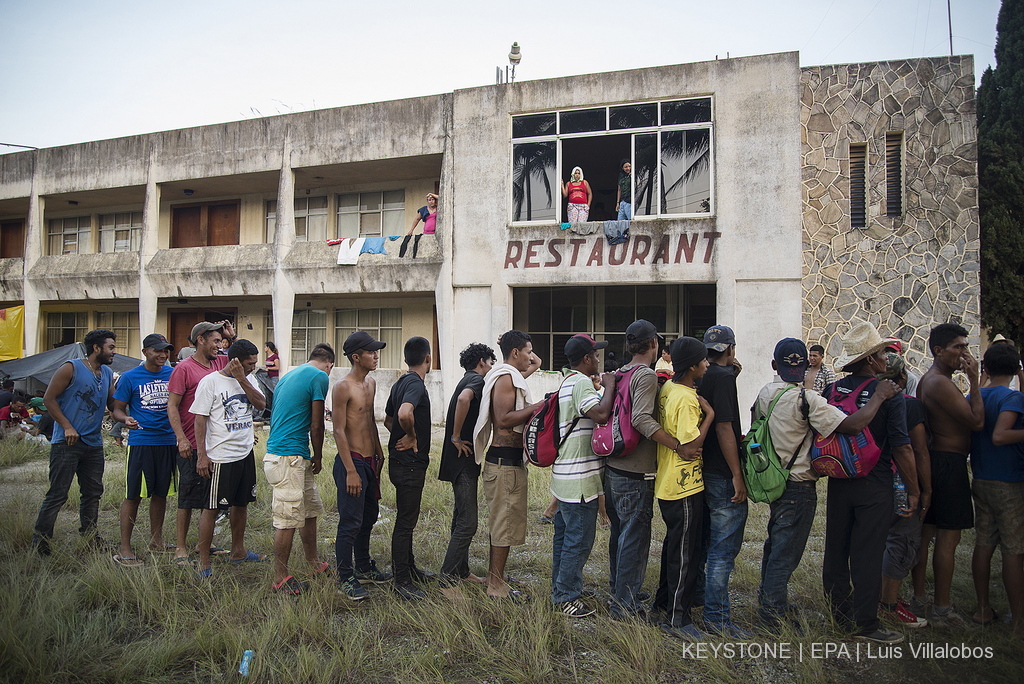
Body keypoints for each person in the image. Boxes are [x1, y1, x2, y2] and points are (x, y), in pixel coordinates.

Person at [753, 338, 895, 631]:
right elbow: (853, 425)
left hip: (774, 479)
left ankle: (768, 600)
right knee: (786, 553)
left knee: (774, 545)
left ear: (774, 366)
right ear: (805, 366)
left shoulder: (766, 393)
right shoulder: (809, 400)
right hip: (800, 486)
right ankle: (773, 615)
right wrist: (879, 396)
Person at [822, 321, 918, 644]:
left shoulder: (833, 390)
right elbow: (902, 448)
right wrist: (915, 490)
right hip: (874, 485)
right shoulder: (888, 394)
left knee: (836, 547)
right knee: (867, 552)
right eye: (881, 353)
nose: (885, 358)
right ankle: (865, 624)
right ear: (872, 359)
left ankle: (838, 614)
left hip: (839, 480)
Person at [605, 320, 681, 621]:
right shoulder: (646, 375)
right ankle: (625, 605)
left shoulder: (620, 372)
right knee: (634, 540)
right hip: (635, 471)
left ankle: (619, 590)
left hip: (612, 465)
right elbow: (641, 420)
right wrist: (676, 444)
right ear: (654, 344)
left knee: (620, 535)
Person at [915, 322, 984, 626]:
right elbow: (975, 421)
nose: (964, 353)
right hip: (947, 463)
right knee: (946, 538)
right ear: (939, 350)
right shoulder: (939, 382)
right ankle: (941, 607)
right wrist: (975, 381)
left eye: (966, 346)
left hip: (937, 462)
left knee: (926, 534)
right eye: (958, 347)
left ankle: (919, 599)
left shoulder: (934, 380)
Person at [31, 329, 117, 555]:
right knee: (58, 494)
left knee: (92, 493)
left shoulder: (106, 373)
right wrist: (67, 426)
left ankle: (90, 538)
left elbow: (113, 404)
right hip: (66, 444)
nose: (113, 352)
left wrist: (125, 417)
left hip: (94, 444)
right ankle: (40, 544)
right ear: (96, 348)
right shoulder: (70, 368)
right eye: (110, 347)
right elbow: (49, 399)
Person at [472, 330, 542, 601]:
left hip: (508, 463)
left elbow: (536, 363)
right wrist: (538, 406)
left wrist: (510, 343)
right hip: (504, 463)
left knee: (504, 524)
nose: (530, 357)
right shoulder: (505, 378)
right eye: (526, 351)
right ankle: (496, 585)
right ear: (515, 353)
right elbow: (503, 419)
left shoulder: (510, 374)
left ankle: (494, 576)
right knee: (503, 525)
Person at [550, 334, 616, 617]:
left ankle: (562, 585)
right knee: (579, 540)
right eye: (596, 355)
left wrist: (600, 388)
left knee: (564, 539)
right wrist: (610, 386)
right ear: (587, 358)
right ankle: (566, 596)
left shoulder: (567, 382)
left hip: (564, 476)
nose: (599, 359)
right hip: (579, 477)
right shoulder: (580, 383)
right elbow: (600, 415)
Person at [653, 336, 714, 639]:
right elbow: (691, 445)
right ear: (692, 365)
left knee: (674, 548)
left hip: (668, 481)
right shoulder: (688, 399)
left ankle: (662, 604)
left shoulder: (669, 388)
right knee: (685, 555)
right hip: (684, 485)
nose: (707, 364)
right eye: (704, 360)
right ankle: (678, 619)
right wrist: (710, 417)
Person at [191, 339, 267, 578]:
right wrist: (202, 456)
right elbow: (200, 420)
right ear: (234, 361)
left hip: (244, 452)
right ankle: (203, 560)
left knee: (241, 503)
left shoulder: (249, 379)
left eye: (254, 363)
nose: (252, 367)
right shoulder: (210, 382)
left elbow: (261, 404)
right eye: (248, 364)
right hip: (220, 456)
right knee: (211, 507)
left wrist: (243, 378)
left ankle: (238, 551)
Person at [264, 343, 335, 595]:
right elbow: (317, 424)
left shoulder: (290, 374)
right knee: (287, 519)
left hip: (292, 454)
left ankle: (313, 561)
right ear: (329, 364)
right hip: (287, 457)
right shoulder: (319, 376)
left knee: (309, 510)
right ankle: (280, 577)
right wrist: (319, 455)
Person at [695, 325, 750, 638]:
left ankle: (702, 598)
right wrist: (737, 475)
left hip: (702, 468)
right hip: (721, 472)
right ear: (731, 348)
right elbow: (725, 428)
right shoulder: (724, 377)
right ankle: (717, 618)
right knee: (723, 549)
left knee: (706, 542)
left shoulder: (703, 374)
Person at [966, 343, 1024, 636]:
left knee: (984, 543)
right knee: (1014, 550)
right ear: (1016, 371)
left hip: (982, 478)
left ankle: (982, 608)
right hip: (1010, 482)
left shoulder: (975, 396)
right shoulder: (1013, 398)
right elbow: (1001, 435)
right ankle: (1018, 621)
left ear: (985, 368)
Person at [167, 320, 234, 564]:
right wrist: (181, 439)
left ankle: (204, 543)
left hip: (214, 444)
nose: (220, 345)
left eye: (221, 341)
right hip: (192, 444)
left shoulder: (219, 362)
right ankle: (181, 547)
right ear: (200, 340)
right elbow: (172, 406)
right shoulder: (184, 368)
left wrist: (232, 337)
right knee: (187, 496)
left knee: (211, 497)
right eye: (215, 340)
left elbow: (238, 362)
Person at [332, 334, 393, 601]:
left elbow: (368, 421)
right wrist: (351, 470)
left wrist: (379, 453)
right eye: (371, 352)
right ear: (356, 357)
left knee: (368, 517)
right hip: (352, 461)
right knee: (350, 522)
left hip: (370, 461)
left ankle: (364, 566)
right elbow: (338, 430)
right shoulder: (343, 387)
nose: (376, 356)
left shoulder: (371, 383)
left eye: (377, 351)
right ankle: (345, 576)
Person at [110, 333, 176, 566]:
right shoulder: (130, 377)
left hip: (168, 442)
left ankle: (156, 540)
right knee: (134, 494)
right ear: (145, 352)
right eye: (157, 350)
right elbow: (116, 409)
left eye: (166, 351)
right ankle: (125, 547)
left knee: (161, 493)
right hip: (141, 442)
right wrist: (125, 419)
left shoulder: (173, 374)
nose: (163, 355)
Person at [877, 352, 931, 628]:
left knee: (881, 541)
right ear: (902, 377)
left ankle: (880, 597)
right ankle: (889, 603)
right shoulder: (909, 405)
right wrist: (923, 489)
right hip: (901, 482)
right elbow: (916, 450)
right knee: (903, 541)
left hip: (874, 483)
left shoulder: (869, 401)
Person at [438, 342, 496, 597]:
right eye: (490, 362)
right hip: (462, 458)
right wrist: (456, 436)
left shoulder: (467, 378)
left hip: (459, 459)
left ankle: (461, 572)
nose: (492, 366)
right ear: (481, 361)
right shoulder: (476, 381)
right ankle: (447, 580)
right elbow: (464, 399)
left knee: (459, 516)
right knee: (468, 523)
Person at [384, 336, 435, 600]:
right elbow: (403, 415)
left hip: (399, 463)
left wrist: (400, 436)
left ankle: (410, 569)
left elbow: (388, 419)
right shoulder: (415, 383)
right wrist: (412, 436)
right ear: (428, 358)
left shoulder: (400, 382)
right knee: (405, 522)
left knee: (408, 518)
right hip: (409, 465)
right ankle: (401, 580)